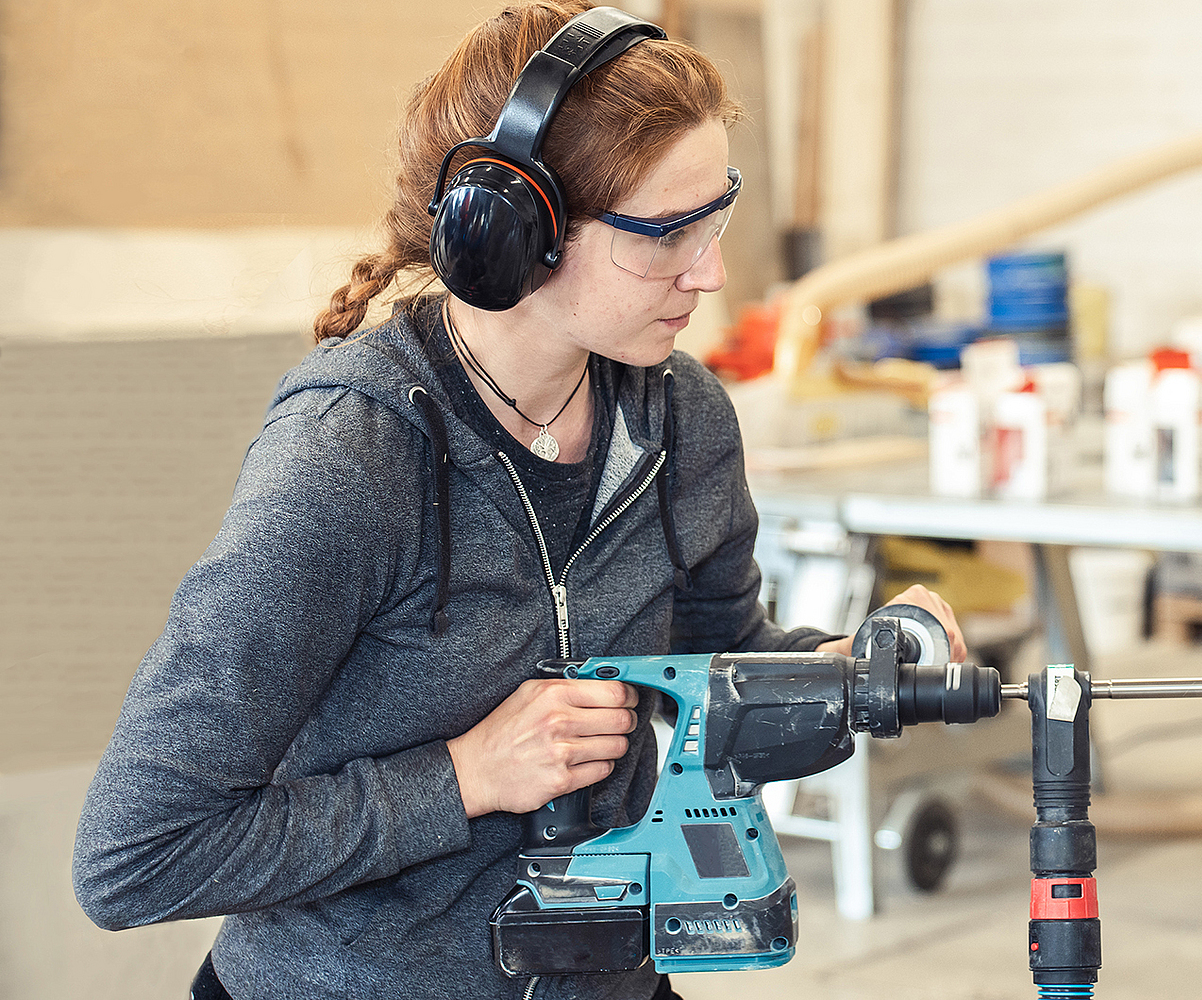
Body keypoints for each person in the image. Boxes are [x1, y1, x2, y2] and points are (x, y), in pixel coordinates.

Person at [71, 5, 963, 998]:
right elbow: (133, 855)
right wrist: (463, 777)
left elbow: (714, 669)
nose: (710, 272)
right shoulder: (349, 463)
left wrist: (852, 672)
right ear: (515, 235)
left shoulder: (679, 419)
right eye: (668, 235)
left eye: (717, 217)